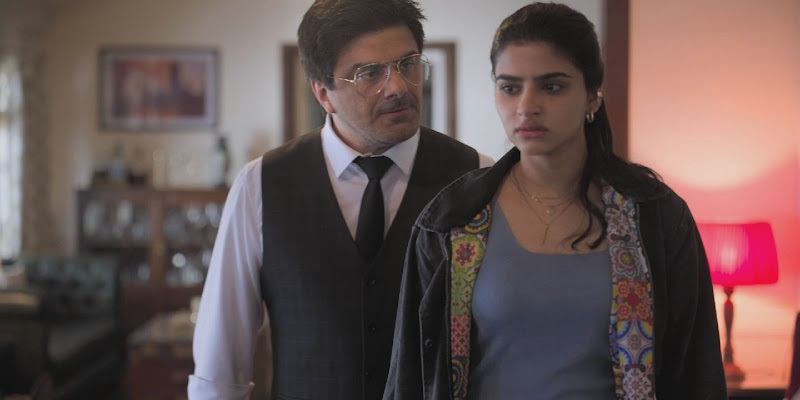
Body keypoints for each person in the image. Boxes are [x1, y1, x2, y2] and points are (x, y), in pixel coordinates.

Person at [382, 3, 726, 399]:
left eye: (552, 86)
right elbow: (410, 376)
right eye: (510, 87)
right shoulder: (451, 221)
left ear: (592, 95)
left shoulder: (655, 217)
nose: (526, 106)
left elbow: (697, 372)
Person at [188, 0, 492, 399]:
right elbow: (220, 364)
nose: (398, 87)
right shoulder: (261, 185)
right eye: (369, 73)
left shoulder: (476, 177)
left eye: (408, 64)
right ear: (323, 94)